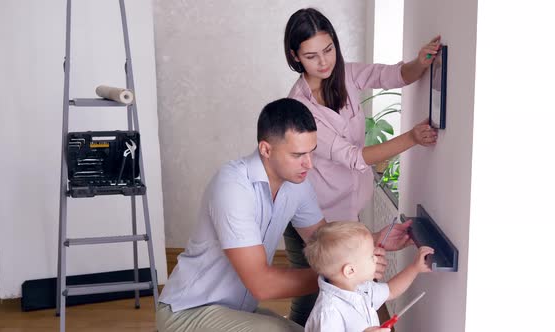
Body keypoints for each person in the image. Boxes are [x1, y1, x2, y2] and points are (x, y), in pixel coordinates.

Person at [156, 98, 412, 332]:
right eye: (298, 155)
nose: (309, 164)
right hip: (187, 312)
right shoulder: (232, 187)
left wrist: (372, 241)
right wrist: (344, 273)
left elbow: (325, 242)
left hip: (235, 309)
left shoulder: (297, 184)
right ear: (266, 149)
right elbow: (262, 285)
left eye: (312, 151)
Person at [282, 8, 440, 325]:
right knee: (315, 298)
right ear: (295, 56)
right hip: (313, 214)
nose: (324, 62)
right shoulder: (300, 109)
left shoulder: (348, 74)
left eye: (329, 50)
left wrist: (421, 62)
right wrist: (411, 137)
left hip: (345, 211)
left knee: (355, 292)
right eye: (312, 56)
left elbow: (395, 75)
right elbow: (354, 156)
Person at [303, 221, 434, 332]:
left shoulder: (361, 287)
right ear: (350, 270)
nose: (376, 259)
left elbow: (391, 290)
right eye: (371, 256)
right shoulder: (328, 312)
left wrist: (415, 268)